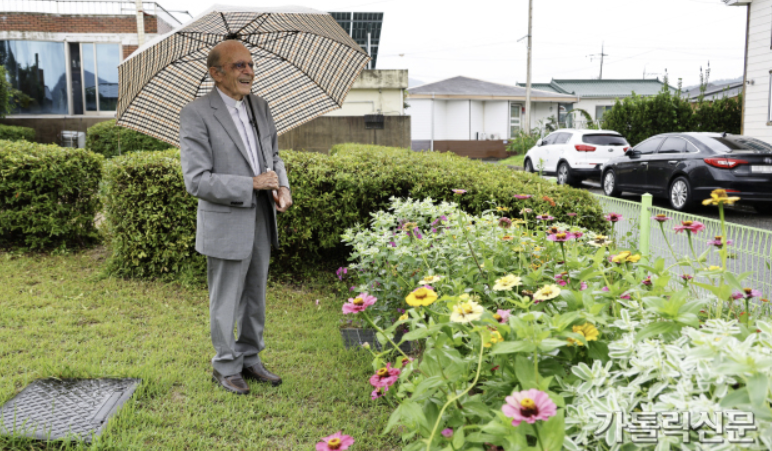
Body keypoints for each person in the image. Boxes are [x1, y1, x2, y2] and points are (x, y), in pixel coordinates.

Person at [179, 40, 292, 395]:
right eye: (239, 65)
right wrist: (252, 183)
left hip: (260, 215)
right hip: (226, 220)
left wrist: (282, 186)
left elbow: (274, 156)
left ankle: (250, 358)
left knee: (255, 294)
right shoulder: (196, 114)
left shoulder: (260, 106)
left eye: (250, 64)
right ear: (216, 73)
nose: (248, 71)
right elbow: (196, 180)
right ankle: (225, 366)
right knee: (226, 297)